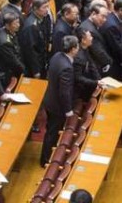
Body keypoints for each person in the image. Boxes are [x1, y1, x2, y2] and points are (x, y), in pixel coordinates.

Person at [41, 34, 78, 166]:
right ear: (73, 49)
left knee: (50, 130)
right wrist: (68, 110)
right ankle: (46, 160)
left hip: (49, 100)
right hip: (57, 106)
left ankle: (46, 158)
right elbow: (64, 92)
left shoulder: (57, 56)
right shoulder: (67, 67)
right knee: (53, 132)